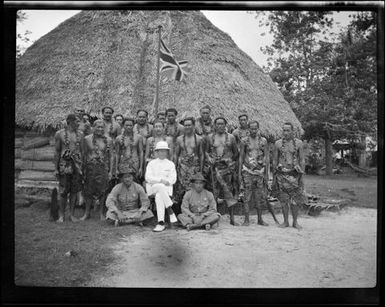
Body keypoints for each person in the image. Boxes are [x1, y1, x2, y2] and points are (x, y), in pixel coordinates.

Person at [203, 117, 239, 225]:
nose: (220, 126)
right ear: (214, 125)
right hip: (214, 170)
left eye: (222, 124)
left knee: (229, 194)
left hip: (227, 170)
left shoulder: (231, 137)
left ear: (225, 125)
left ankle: (232, 219)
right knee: (214, 193)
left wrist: (230, 161)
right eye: (218, 124)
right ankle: (214, 218)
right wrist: (209, 158)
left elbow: (236, 153)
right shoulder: (210, 137)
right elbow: (205, 151)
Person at [272, 122, 307, 230]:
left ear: (293, 131)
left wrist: (302, 174)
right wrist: (274, 173)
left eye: (288, 130)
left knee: (295, 200)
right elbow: (274, 160)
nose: (285, 132)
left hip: (295, 175)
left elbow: (302, 159)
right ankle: (286, 221)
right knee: (283, 200)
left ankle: (295, 222)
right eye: (284, 130)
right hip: (281, 175)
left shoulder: (299, 143)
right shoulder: (278, 143)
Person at [54, 114, 84, 222]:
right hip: (64, 164)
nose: (79, 123)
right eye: (77, 121)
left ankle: (71, 215)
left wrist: (81, 167)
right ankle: (61, 215)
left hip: (76, 165)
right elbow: (57, 152)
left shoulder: (80, 134)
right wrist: (56, 168)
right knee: (63, 191)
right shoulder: (60, 134)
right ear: (70, 121)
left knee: (74, 191)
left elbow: (82, 151)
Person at [239, 120, 270, 226]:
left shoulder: (263, 141)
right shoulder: (244, 141)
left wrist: (266, 173)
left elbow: (266, 157)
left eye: (255, 128)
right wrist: (239, 172)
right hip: (247, 171)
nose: (253, 130)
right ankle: (246, 219)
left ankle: (260, 219)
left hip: (259, 172)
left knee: (259, 196)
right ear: (248, 129)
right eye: (251, 128)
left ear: (258, 128)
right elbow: (241, 157)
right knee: (246, 196)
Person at [82, 119, 114, 220]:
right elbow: (83, 155)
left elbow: (112, 156)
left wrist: (111, 171)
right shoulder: (87, 139)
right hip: (90, 168)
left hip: (103, 168)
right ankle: (87, 213)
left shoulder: (108, 140)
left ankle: (101, 213)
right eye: (98, 127)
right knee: (88, 191)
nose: (100, 129)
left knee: (103, 191)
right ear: (93, 127)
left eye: (102, 127)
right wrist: (82, 169)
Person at [145, 141, 177, 232]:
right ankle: (170, 209)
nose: (163, 153)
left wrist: (164, 182)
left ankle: (161, 223)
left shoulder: (170, 164)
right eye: (160, 151)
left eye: (164, 151)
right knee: (159, 186)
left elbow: (173, 179)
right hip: (152, 188)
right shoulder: (151, 164)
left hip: (165, 190)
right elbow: (148, 178)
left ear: (167, 152)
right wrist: (161, 180)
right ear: (157, 152)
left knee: (159, 195)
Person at [174, 117, 204, 205]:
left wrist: (201, 171)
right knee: (180, 190)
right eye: (185, 125)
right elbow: (176, 154)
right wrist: (175, 167)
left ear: (193, 126)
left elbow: (201, 155)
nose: (187, 127)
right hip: (182, 168)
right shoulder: (179, 139)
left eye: (189, 125)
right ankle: (181, 211)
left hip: (194, 168)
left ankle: (193, 209)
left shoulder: (199, 139)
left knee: (194, 189)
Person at [115, 118, 144, 183]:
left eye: (130, 125)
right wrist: (116, 168)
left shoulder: (138, 137)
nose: (129, 127)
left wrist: (141, 168)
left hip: (134, 163)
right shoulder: (118, 138)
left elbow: (141, 152)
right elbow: (117, 154)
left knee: (134, 182)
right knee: (123, 182)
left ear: (133, 126)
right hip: (123, 163)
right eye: (126, 125)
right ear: (123, 126)